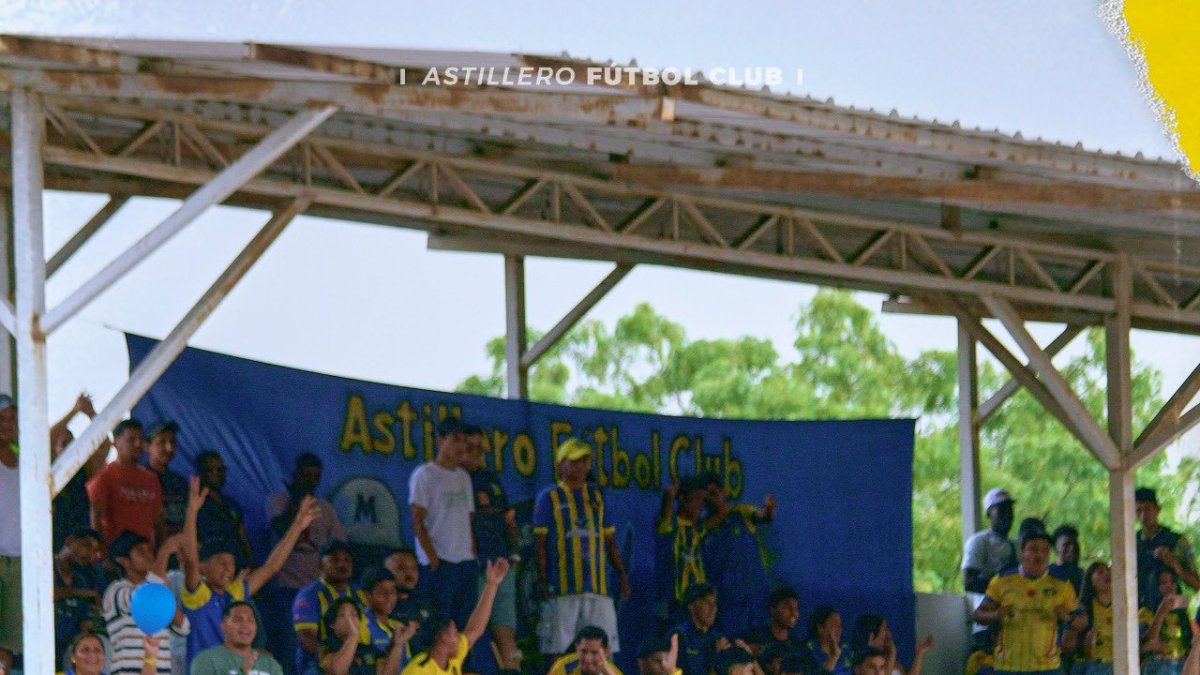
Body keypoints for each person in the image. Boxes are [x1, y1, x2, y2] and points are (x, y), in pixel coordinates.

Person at [180, 476, 320, 665]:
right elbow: (190, 558)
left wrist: (298, 525)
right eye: (221, 562)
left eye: (231, 562)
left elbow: (271, 568)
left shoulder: (234, 593)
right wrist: (192, 511)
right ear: (202, 566)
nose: (228, 568)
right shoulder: (197, 595)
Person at [534, 437, 631, 656]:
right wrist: (543, 581)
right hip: (562, 589)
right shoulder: (549, 498)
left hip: (599, 589)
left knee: (604, 651)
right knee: (558, 650)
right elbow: (540, 545)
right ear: (561, 464)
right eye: (575, 461)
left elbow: (610, 540)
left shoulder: (597, 496)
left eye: (585, 460)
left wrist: (622, 574)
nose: (581, 466)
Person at [265, 452, 346, 674]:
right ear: (295, 475)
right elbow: (280, 528)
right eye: (305, 475)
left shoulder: (325, 508)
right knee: (290, 646)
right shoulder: (278, 500)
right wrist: (296, 501)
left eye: (315, 477)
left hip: (316, 589)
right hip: (285, 587)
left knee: (316, 646)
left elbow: (340, 546)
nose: (310, 481)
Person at [973, 529, 1085, 675]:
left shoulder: (1062, 584)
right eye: (1033, 549)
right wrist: (996, 615)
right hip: (1008, 667)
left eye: (1045, 550)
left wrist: (1068, 619)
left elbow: (1082, 621)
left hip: (1048, 668)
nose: (1039, 555)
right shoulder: (1002, 580)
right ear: (1022, 551)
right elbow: (978, 615)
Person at [461, 424, 521, 671]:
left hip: (501, 562)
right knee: (469, 632)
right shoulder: (454, 480)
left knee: (505, 632)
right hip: (474, 566)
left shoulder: (490, 479)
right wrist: (474, 555)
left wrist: (513, 552)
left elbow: (509, 518)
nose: (478, 454)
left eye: (481, 449)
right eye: (471, 448)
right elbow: (466, 521)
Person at [409, 418, 477, 632]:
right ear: (440, 441)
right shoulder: (425, 475)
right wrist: (433, 559)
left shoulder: (464, 477)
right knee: (439, 626)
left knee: (465, 625)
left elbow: (468, 519)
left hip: (465, 561)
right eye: (455, 439)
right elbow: (417, 520)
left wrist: (472, 553)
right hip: (440, 562)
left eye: (464, 441)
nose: (461, 446)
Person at [400, 558, 509, 675]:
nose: (460, 638)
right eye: (456, 633)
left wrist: (492, 585)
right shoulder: (419, 671)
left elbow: (475, 629)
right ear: (443, 637)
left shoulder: (451, 659)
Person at [699, 472, 775, 638]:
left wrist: (769, 509)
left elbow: (762, 517)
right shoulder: (700, 528)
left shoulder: (741, 513)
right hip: (727, 607)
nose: (711, 499)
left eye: (714, 493)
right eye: (706, 497)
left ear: (724, 492)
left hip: (756, 599)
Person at [103, 530, 190, 675]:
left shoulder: (157, 591)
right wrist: (165, 552)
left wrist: (164, 593)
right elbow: (145, 597)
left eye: (149, 551)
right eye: (140, 551)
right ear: (124, 561)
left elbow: (183, 626)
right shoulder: (116, 590)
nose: (149, 556)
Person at [89, 418, 165, 548]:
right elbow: (96, 518)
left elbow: (159, 522)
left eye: (140, 439)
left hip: (145, 555)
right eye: (131, 440)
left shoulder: (151, 479)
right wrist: (102, 553)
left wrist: (160, 554)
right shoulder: (105, 476)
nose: (138, 444)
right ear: (116, 443)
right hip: (115, 553)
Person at [293, 540, 366, 675]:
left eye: (347, 560)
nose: (342, 564)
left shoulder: (359, 593)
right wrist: (336, 658)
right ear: (321, 565)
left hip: (356, 659)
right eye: (335, 560)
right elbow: (307, 637)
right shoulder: (309, 595)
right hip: (318, 664)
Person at [52, 394, 107, 551]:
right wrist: (74, 411)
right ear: (54, 449)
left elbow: (104, 446)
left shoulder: (84, 469)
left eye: (71, 444)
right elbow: (49, 437)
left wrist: (91, 414)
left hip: (82, 543)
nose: (68, 449)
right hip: (56, 543)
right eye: (63, 444)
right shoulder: (46, 472)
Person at [319, 593, 414, 675]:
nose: (350, 620)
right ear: (333, 623)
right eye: (343, 615)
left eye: (354, 615)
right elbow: (337, 671)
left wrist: (398, 645)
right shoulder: (326, 646)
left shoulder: (366, 650)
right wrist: (353, 635)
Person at [1135, 487, 1199, 607]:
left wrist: (1175, 565)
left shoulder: (1177, 541)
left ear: (1158, 509)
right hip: (1139, 613)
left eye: (1147, 509)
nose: (1143, 516)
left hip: (1172, 613)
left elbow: (1197, 585)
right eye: (1138, 511)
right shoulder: (1130, 544)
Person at [658, 477, 708, 627]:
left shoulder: (701, 528)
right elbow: (668, 500)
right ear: (683, 499)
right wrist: (672, 493)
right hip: (675, 603)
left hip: (699, 604)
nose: (701, 505)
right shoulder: (670, 524)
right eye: (697, 499)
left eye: (703, 501)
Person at [54, 528, 108, 660]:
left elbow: (84, 623)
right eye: (86, 545)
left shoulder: (81, 580)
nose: (90, 554)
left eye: (95, 551)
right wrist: (81, 593)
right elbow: (44, 594)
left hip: (68, 653)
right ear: (69, 541)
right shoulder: (45, 565)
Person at [189, 601, 285, 675]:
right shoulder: (207, 660)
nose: (245, 625)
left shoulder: (270, 664)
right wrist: (243, 672)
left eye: (250, 620)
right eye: (238, 619)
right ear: (223, 625)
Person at [193, 451, 252, 567]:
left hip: (236, 567)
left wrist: (249, 565)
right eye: (210, 470)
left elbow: (243, 539)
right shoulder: (194, 505)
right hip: (209, 568)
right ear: (200, 474)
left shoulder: (232, 504)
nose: (217, 474)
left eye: (220, 470)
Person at [963, 488, 1017, 595]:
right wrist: (1001, 587)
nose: (1007, 514)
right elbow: (969, 582)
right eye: (1002, 510)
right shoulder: (979, 541)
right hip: (987, 603)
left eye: (1010, 509)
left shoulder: (1016, 544)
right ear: (989, 513)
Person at [1139, 569, 1192, 675]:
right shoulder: (1145, 613)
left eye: (1172, 582)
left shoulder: (1183, 613)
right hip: (1158, 665)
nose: (1169, 586)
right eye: (1163, 583)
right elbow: (1146, 642)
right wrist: (1161, 612)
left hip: (1183, 664)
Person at [143, 422, 188, 539]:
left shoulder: (180, 482)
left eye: (172, 442)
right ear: (147, 446)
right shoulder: (139, 480)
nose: (169, 448)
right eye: (162, 442)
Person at [846, 615, 933, 675]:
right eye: (884, 630)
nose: (889, 635)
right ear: (871, 635)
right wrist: (892, 655)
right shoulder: (858, 660)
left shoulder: (891, 659)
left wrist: (920, 653)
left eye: (888, 629)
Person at [671, 583, 727, 675]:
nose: (713, 609)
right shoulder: (679, 636)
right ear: (692, 607)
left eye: (714, 604)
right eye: (707, 603)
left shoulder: (718, 639)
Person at [384, 548, 431, 653]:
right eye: (401, 568)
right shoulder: (380, 607)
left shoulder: (427, 605)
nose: (409, 573)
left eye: (413, 568)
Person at [0, 394, 17, 670]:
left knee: (11, 642)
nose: (7, 424)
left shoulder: (26, 456)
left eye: (12, 419)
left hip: (21, 557)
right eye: (1, 419)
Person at [742, 587, 804, 658]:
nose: (793, 613)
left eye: (796, 608)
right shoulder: (754, 638)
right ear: (772, 610)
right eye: (787, 607)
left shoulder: (797, 648)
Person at [1077, 561, 1114, 675]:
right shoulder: (1084, 607)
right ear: (1091, 581)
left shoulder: (1124, 605)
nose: (1107, 574)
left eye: (1108, 571)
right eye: (1100, 572)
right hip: (1094, 666)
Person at [547, 625, 624, 675]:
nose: (588, 659)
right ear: (577, 648)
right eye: (583, 651)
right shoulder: (563, 666)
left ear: (606, 652)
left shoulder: (612, 672)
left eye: (594, 653)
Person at [803, 607, 851, 675]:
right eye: (835, 625)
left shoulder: (847, 649)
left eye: (840, 625)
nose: (840, 629)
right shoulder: (807, 652)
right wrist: (834, 656)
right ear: (820, 628)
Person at [1048, 525, 1083, 596]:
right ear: (1056, 549)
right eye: (1066, 545)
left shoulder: (1083, 575)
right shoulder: (1049, 574)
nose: (1072, 548)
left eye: (1075, 544)